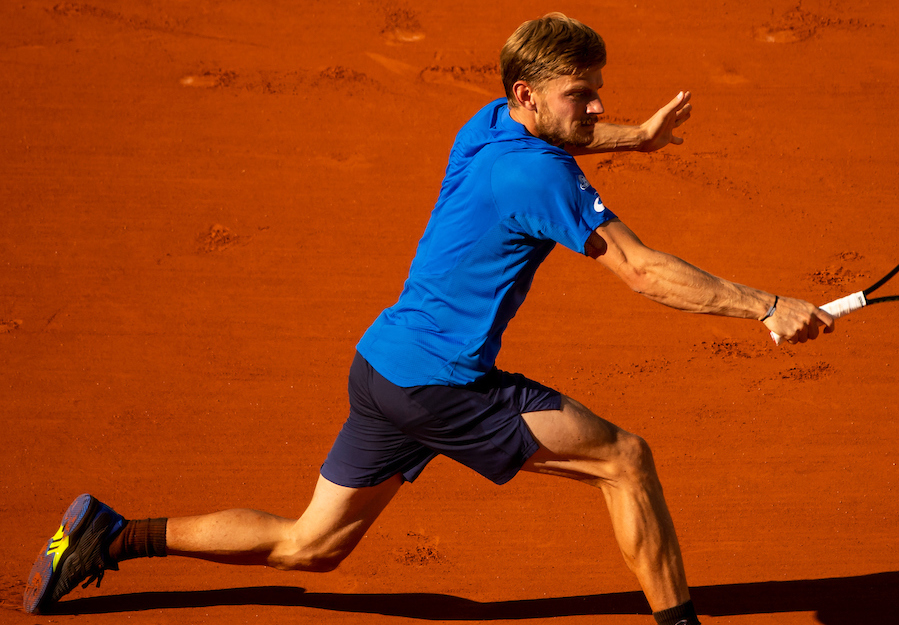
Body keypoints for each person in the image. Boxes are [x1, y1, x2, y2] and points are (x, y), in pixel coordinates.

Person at [24, 12, 833, 624]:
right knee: (625, 458)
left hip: (383, 366)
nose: (596, 106)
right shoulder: (537, 179)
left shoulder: (484, 126)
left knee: (312, 545)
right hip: (445, 387)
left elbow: (560, 136)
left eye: (598, 90)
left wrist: (637, 140)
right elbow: (643, 270)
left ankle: (112, 535)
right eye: (581, 94)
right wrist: (766, 304)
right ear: (527, 95)